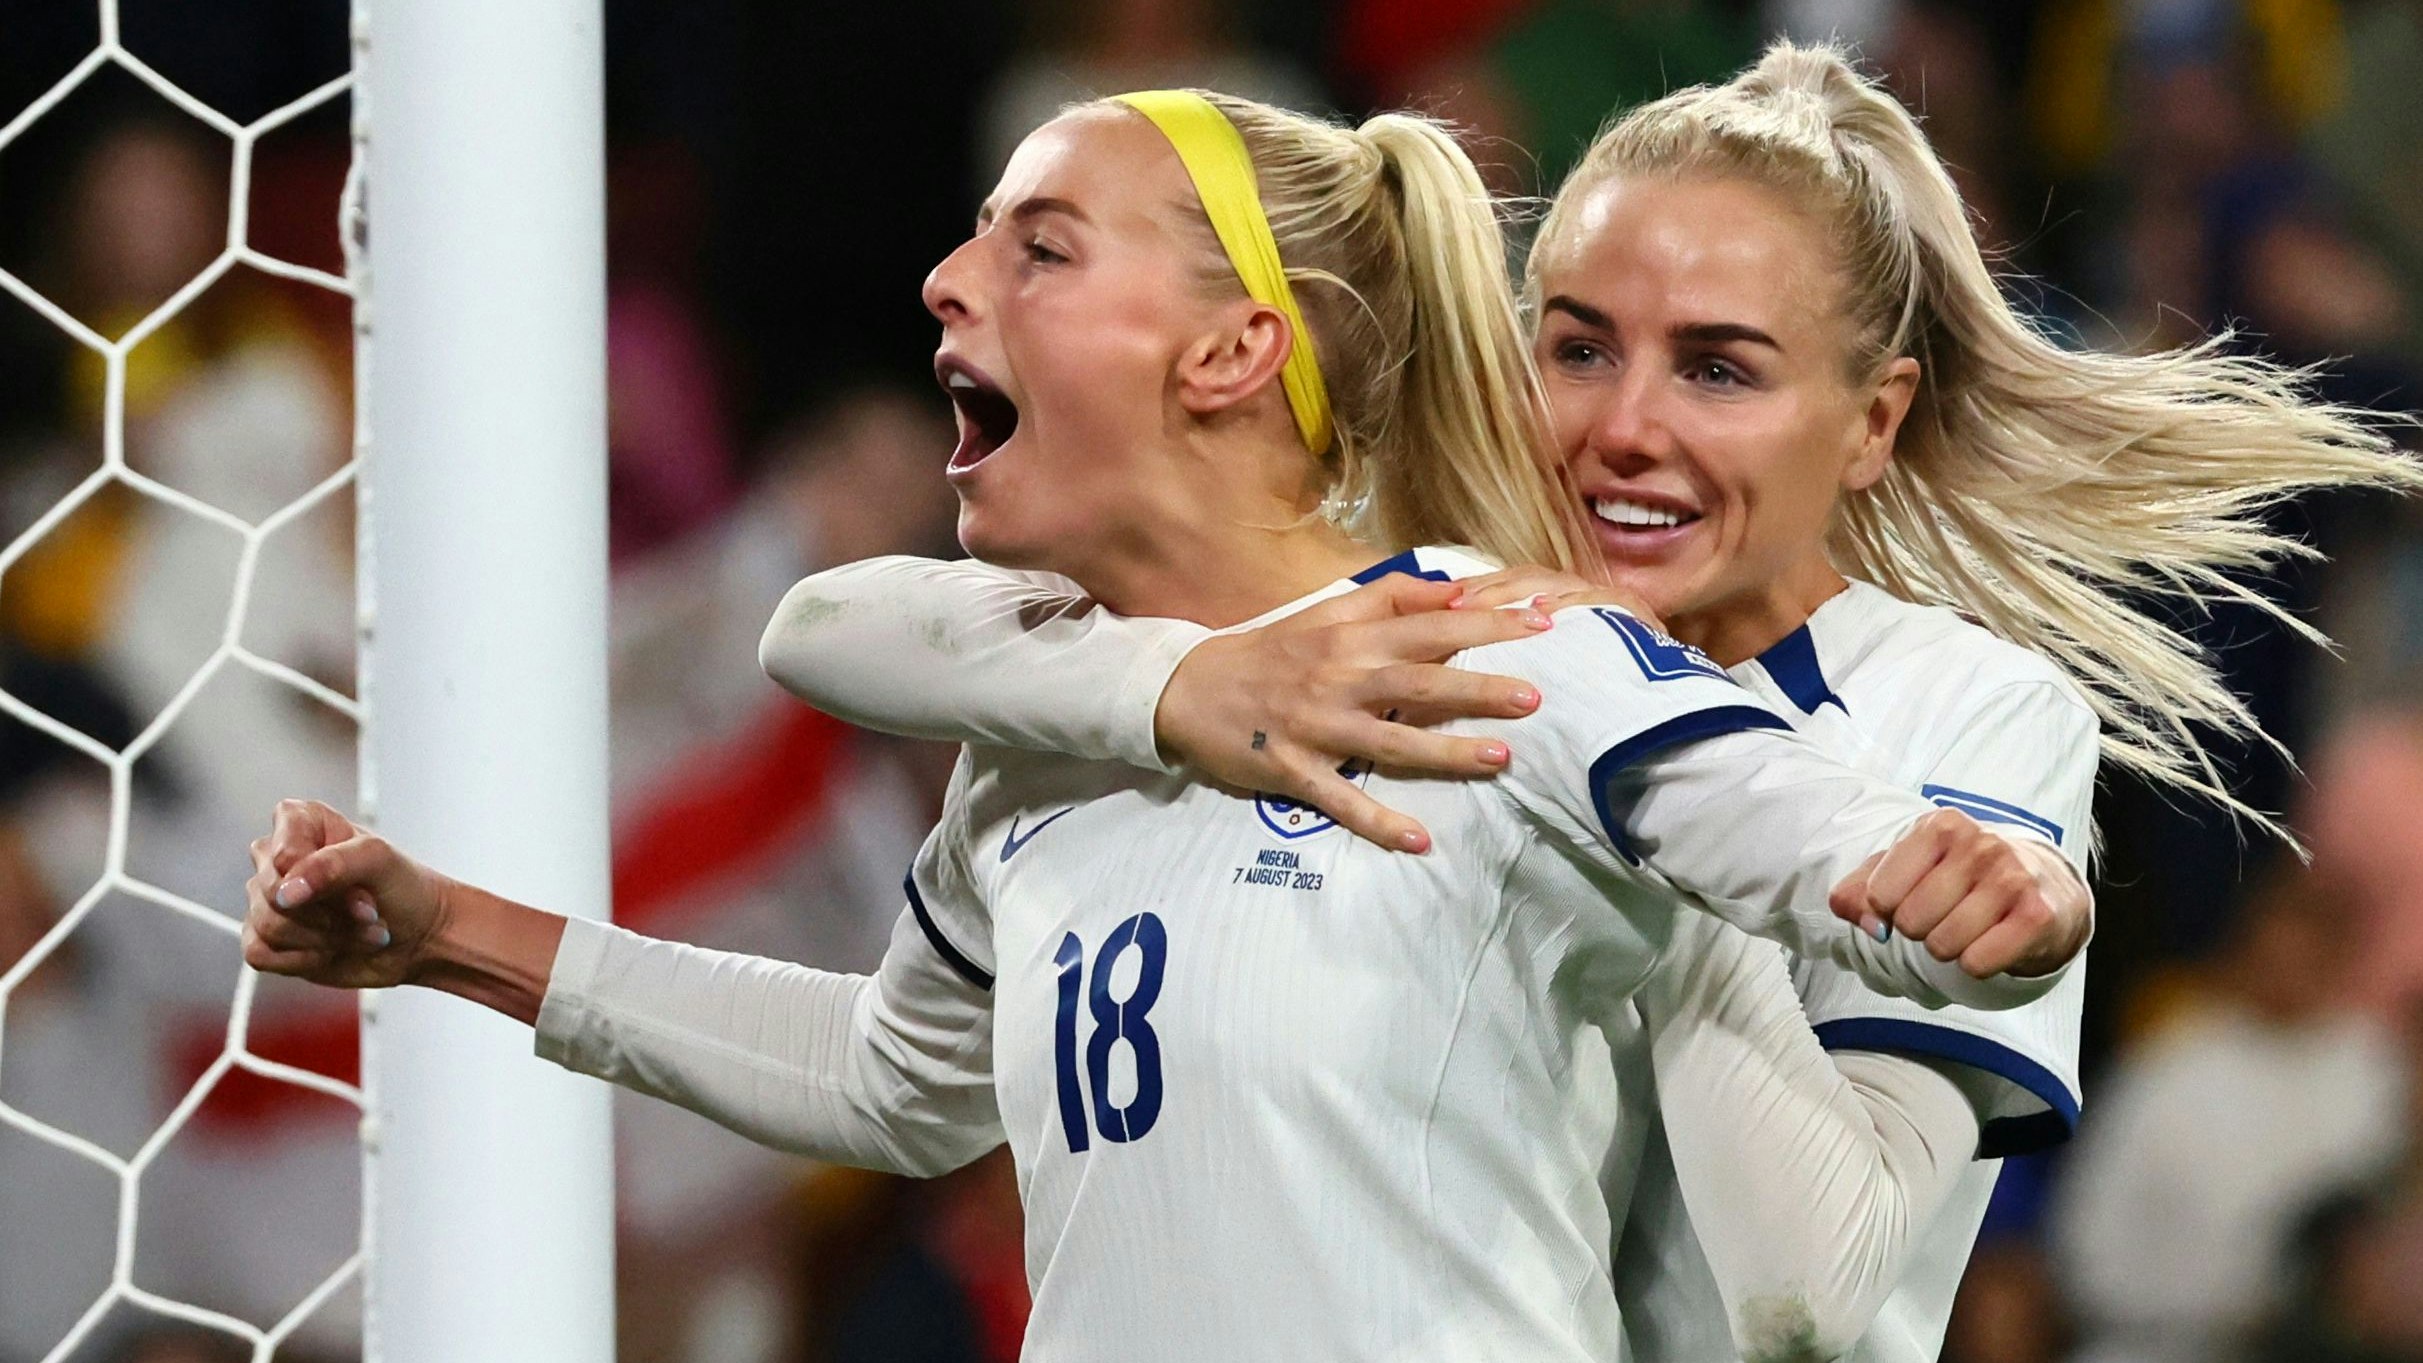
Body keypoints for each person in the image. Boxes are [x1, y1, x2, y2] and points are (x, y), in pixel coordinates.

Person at [241, 88, 2089, 1361]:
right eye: (1578, 345)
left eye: (1040, 248)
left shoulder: (1498, 655)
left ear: (1229, 353)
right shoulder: (1043, 746)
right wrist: (451, 938)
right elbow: (889, 1077)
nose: (952, 282)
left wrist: (1943, 880)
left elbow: (1784, 825)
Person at [759, 45, 2423, 1363]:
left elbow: (1805, 1311)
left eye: (1715, 368)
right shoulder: (1438, 633)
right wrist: (1189, 678)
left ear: (1870, 419)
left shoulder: (1964, 714)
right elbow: (859, 627)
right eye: (1575, 348)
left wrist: (1649, 796)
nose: (1623, 428)